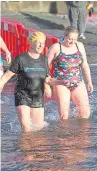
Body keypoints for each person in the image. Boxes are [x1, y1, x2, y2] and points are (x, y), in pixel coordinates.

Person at [0, 31, 53, 132]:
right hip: (22, 96)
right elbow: (5, 78)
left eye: (43, 43)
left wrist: (47, 87)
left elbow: (46, 77)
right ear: (32, 43)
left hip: (38, 97)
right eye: (39, 43)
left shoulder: (44, 60)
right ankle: (24, 147)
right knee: (27, 129)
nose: (42, 45)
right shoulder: (21, 59)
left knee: (38, 129)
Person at [47, 26, 93, 120]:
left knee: (85, 113)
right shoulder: (56, 47)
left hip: (78, 81)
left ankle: (81, 134)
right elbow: (45, 67)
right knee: (64, 115)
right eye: (70, 39)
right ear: (65, 36)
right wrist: (47, 85)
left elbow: (84, 65)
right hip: (60, 83)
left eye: (75, 39)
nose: (72, 42)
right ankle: (64, 133)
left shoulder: (79, 45)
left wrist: (89, 82)